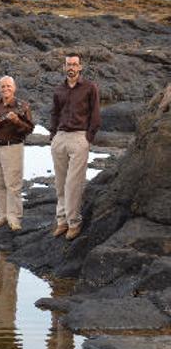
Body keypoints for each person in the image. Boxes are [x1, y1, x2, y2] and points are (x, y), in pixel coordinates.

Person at [49, 53, 101, 240]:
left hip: (79, 138)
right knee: (60, 183)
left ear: (80, 67)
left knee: (74, 184)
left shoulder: (89, 87)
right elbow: (54, 113)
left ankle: (74, 222)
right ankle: (62, 221)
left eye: (74, 64)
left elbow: (95, 114)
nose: (71, 67)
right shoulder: (59, 90)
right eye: (68, 64)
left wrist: (89, 137)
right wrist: (53, 136)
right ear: (64, 67)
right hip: (60, 138)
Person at [0, 76, 34, 231]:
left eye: (8, 86)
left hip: (13, 147)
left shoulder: (21, 106)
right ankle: (2, 215)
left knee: (13, 184)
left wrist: (16, 121)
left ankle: (14, 218)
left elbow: (29, 129)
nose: (5, 89)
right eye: (3, 86)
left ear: (14, 87)